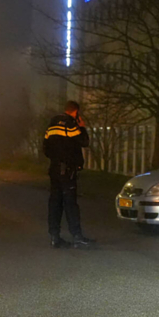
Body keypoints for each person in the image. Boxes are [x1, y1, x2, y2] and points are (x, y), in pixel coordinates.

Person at [43, 100, 94, 249]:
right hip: (68, 170)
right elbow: (84, 141)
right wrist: (82, 127)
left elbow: (45, 149)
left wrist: (56, 157)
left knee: (55, 203)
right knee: (71, 204)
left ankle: (54, 236)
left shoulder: (52, 123)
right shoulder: (71, 124)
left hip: (54, 169)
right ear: (76, 112)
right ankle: (77, 236)